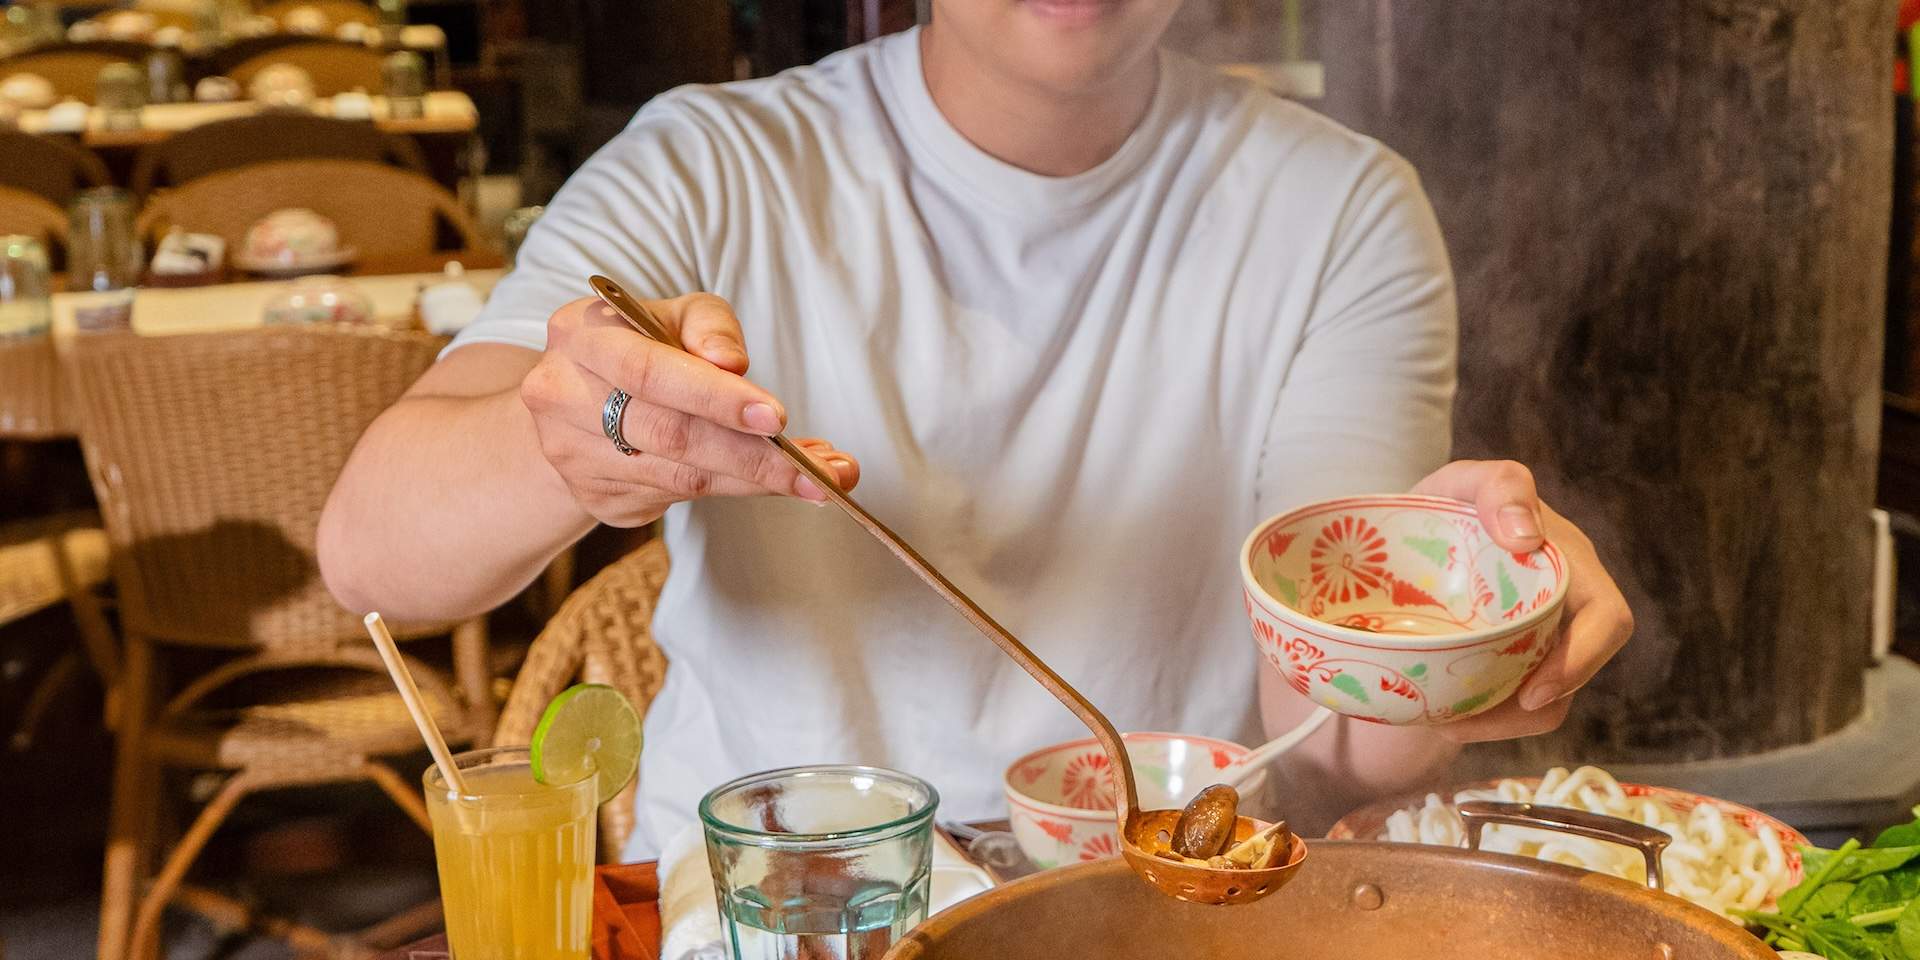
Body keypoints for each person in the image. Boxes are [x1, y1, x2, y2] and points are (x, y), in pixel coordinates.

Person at [319, 0, 1634, 857]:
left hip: (1161, 894)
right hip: (776, 901)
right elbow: (373, 555)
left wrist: (1467, 648)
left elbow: (1335, 737)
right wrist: (569, 443)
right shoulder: (714, 166)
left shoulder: (1338, 211)